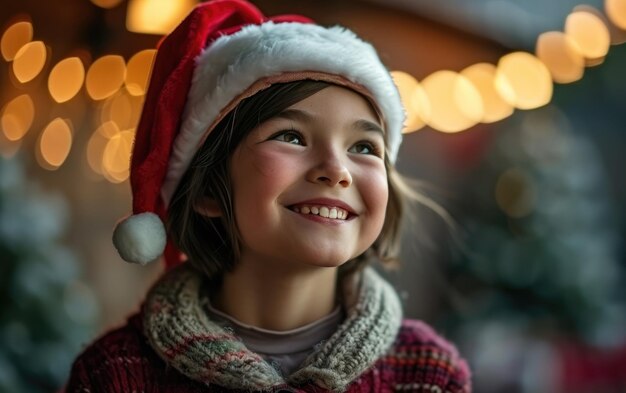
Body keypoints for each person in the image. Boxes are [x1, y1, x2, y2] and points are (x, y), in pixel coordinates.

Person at [65, 0, 471, 391]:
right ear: (208, 188)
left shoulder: (429, 375)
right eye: (291, 137)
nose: (336, 170)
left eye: (364, 147)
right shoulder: (114, 374)